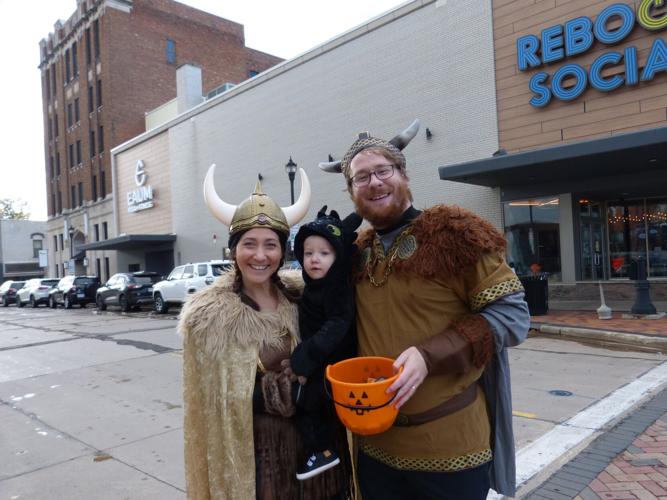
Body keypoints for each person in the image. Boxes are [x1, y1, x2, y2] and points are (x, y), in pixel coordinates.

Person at [319, 120, 530, 499]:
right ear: (351, 191)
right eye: (361, 177)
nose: (375, 183)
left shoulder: (456, 233)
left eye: (383, 171)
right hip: (374, 446)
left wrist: (427, 356)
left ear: (403, 174)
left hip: (452, 447)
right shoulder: (354, 253)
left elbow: (511, 317)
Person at [179, 165, 353, 500]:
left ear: (284, 250)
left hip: (322, 458)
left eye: (271, 245)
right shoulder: (209, 317)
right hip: (261, 465)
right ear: (234, 249)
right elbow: (215, 404)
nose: (260, 256)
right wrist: (287, 392)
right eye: (249, 244)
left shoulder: (306, 296)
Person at [288, 206, 361, 480]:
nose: (314, 260)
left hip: (333, 365)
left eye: (324, 253)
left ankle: (322, 452)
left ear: (338, 257)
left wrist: (306, 356)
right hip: (322, 363)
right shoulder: (315, 286)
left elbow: (337, 324)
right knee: (307, 406)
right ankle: (321, 450)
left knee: (312, 406)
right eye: (308, 253)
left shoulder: (336, 287)